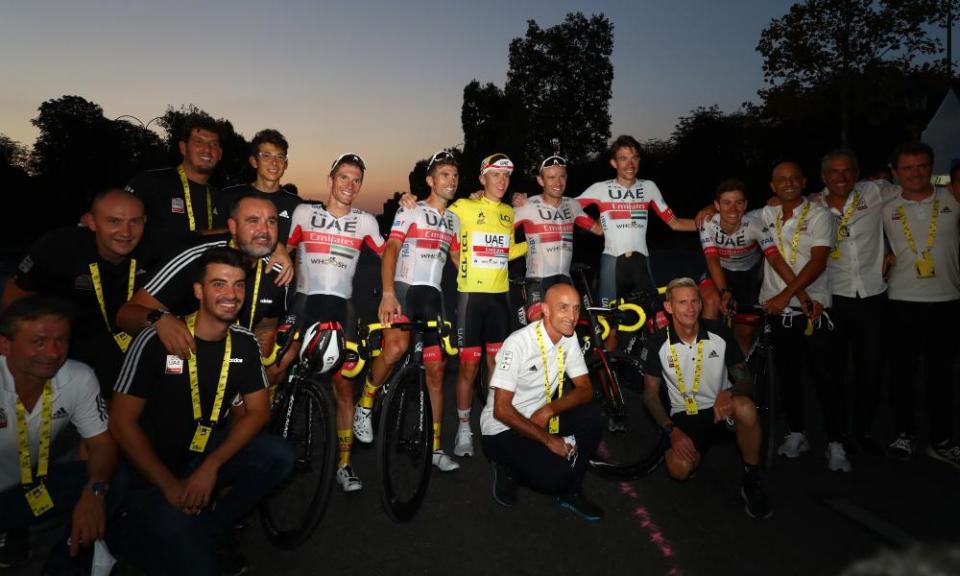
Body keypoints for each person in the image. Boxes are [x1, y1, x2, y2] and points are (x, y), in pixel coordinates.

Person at [110, 248, 294, 575]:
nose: (231, 295)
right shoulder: (156, 340)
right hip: (153, 470)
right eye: (219, 285)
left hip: (202, 454)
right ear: (198, 291)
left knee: (279, 455)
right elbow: (121, 422)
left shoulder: (243, 343)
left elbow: (257, 412)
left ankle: (214, 524)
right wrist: (170, 486)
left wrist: (211, 466)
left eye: (238, 285)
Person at [353, 151, 461, 472]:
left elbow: (457, 260)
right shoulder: (411, 209)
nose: (451, 181)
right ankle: (366, 401)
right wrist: (388, 294)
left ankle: (436, 447)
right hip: (404, 287)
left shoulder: (454, 219)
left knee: (437, 372)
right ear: (430, 180)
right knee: (396, 346)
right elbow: (392, 250)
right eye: (444, 175)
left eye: (455, 175)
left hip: (433, 296)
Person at [286, 153, 385, 492]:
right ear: (330, 179)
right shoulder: (305, 213)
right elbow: (281, 248)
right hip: (305, 303)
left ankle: (344, 465)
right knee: (279, 370)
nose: (350, 185)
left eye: (356, 179)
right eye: (344, 177)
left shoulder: (366, 222)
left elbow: (393, 254)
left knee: (344, 388)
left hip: (341, 308)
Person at [116, 193, 292, 381]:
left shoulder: (279, 270)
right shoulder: (195, 257)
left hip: (228, 368)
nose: (264, 230)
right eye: (253, 221)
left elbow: (266, 324)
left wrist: (258, 366)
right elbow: (125, 315)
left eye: (271, 222)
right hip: (177, 362)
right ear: (233, 226)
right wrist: (159, 319)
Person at [0, 296, 117, 571]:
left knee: (116, 479)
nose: (53, 353)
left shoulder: (79, 377)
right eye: (38, 341)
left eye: (61, 340)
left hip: (29, 490)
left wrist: (95, 492)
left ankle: (61, 565)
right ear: (5, 344)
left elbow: (102, 444)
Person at [3, 189, 157, 396]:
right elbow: (16, 291)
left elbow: (194, 241)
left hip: (120, 343)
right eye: (114, 221)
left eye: (135, 221)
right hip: (64, 345)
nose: (125, 232)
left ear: (145, 221)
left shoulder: (154, 249)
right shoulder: (58, 247)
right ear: (91, 222)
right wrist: (12, 341)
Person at [641, 278, 770, 519]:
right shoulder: (657, 342)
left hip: (722, 410)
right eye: (682, 302)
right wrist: (672, 431)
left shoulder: (719, 332)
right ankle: (696, 453)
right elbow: (649, 395)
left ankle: (752, 478)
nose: (690, 308)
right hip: (685, 417)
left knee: (746, 408)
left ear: (701, 304)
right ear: (669, 308)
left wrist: (729, 392)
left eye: (694, 301)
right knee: (678, 469)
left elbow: (746, 380)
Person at [480, 283, 604, 522]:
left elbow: (586, 389)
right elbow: (501, 410)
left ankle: (570, 493)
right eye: (564, 308)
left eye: (577, 309)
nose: (572, 317)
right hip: (502, 429)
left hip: (539, 416)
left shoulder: (569, 337)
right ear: (545, 310)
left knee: (593, 417)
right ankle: (507, 469)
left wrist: (548, 410)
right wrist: (549, 441)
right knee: (554, 477)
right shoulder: (518, 344)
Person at [758, 162, 850, 472]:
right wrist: (707, 208)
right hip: (778, 315)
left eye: (794, 178)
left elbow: (819, 262)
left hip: (813, 311)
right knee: (788, 379)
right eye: (781, 180)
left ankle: (836, 443)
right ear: (772, 186)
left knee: (827, 379)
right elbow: (727, 217)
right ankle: (797, 432)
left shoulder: (820, 215)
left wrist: (788, 295)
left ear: (804, 181)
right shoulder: (763, 215)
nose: (788, 184)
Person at [808, 150, 895, 453]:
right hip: (833, 299)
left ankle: (862, 431)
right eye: (834, 171)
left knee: (870, 370)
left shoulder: (876, 191)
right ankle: (836, 434)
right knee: (831, 373)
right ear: (823, 177)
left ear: (857, 173)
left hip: (872, 296)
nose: (841, 177)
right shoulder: (811, 206)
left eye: (848, 171)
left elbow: (915, 194)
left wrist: (893, 247)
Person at [882, 142, 960, 467]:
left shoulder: (953, 197)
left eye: (923, 166)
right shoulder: (884, 203)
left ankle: (940, 440)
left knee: (942, 376)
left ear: (931, 167)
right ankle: (904, 434)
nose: (916, 173)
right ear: (895, 172)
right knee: (903, 374)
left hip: (947, 300)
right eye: (908, 168)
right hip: (901, 300)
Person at [446, 153, 527, 458]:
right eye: (495, 175)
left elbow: (506, 252)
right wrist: (409, 203)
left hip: (499, 299)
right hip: (470, 298)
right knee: (468, 366)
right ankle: (464, 428)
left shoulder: (509, 212)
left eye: (506, 176)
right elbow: (439, 216)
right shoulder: (465, 206)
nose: (502, 181)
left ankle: (494, 420)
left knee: (497, 365)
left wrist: (532, 242)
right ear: (482, 179)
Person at [576, 135, 697, 333]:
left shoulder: (649, 187)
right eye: (623, 158)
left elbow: (674, 223)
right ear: (614, 163)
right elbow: (568, 207)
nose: (630, 164)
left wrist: (712, 224)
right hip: (612, 265)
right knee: (608, 326)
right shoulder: (601, 188)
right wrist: (593, 226)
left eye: (634, 157)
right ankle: (610, 362)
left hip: (642, 264)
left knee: (657, 322)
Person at [697, 179, 795, 355]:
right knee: (711, 303)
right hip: (719, 271)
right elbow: (712, 260)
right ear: (717, 205)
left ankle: (741, 377)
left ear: (745, 205)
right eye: (727, 203)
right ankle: (708, 358)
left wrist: (798, 291)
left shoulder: (755, 224)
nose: (733, 209)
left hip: (747, 276)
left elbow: (775, 259)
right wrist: (724, 291)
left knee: (744, 334)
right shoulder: (708, 222)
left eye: (738, 203)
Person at [513, 155, 602, 321]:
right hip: (537, 280)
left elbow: (598, 230)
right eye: (551, 177)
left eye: (562, 176)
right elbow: (500, 227)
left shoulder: (572, 205)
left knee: (567, 329)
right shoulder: (527, 206)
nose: (558, 182)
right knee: (540, 333)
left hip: (564, 279)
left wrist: (609, 208)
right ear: (541, 181)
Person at [125, 114, 224, 243]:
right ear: (183, 148)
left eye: (214, 144)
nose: (207, 149)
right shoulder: (149, 183)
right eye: (199, 141)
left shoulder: (221, 199)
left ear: (220, 154)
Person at [218, 129, 302, 245]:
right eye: (266, 156)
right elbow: (214, 238)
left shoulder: (296, 205)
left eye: (280, 156)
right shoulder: (230, 197)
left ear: (286, 163)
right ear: (254, 161)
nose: (274, 162)